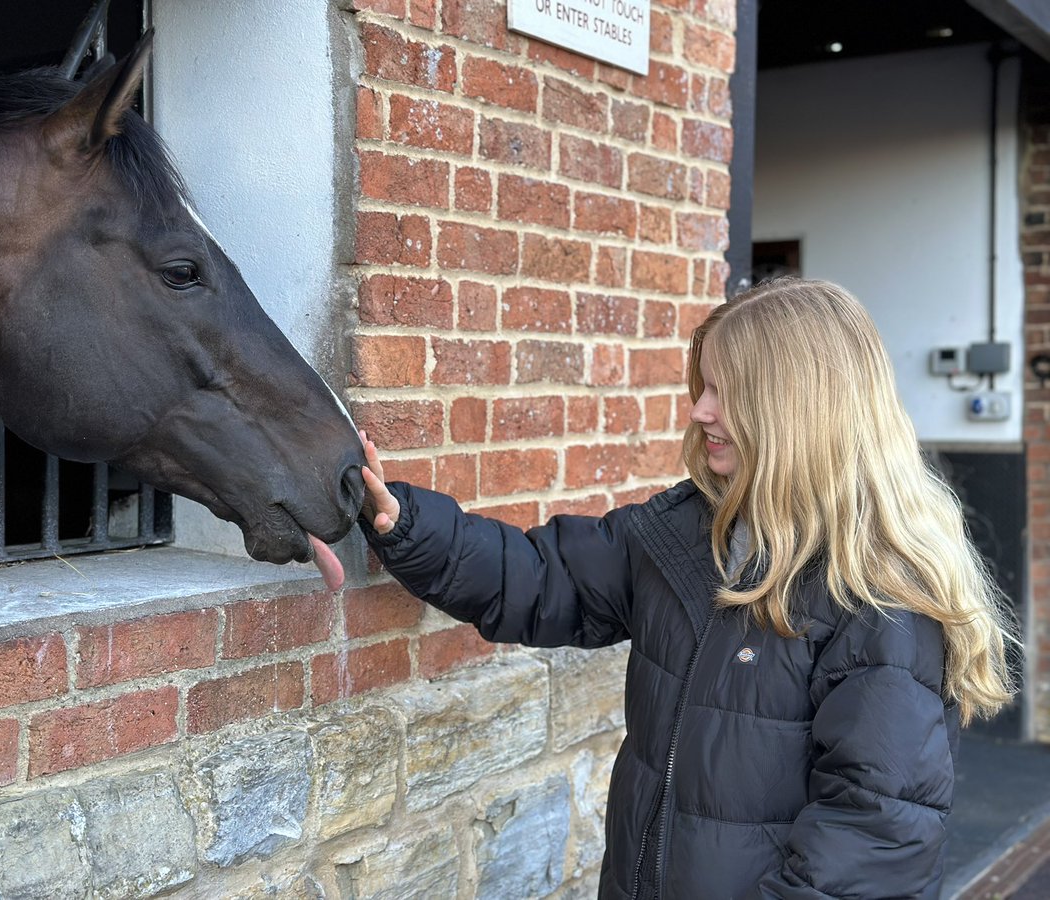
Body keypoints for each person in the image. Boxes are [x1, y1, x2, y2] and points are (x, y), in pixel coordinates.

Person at [356, 277, 1015, 899]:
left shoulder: (877, 595)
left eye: (724, 392)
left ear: (799, 407)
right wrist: (403, 523)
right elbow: (539, 578)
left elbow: (873, 836)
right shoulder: (685, 531)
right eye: (703, 386)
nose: (700, 410)